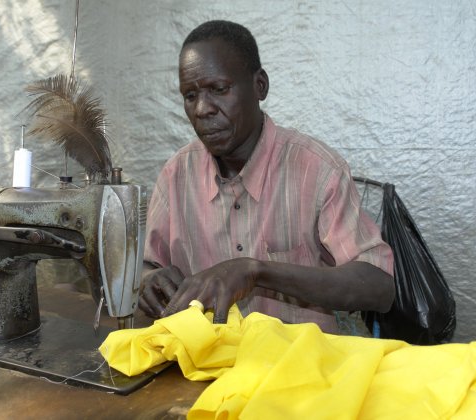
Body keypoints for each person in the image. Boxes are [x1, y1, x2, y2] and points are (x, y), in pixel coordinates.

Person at [139, 20, 394, 333]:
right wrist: (149, 280)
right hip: (209, 367)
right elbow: (148, 266)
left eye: (219, 90)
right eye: (190, 95)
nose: (203, 109)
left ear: (260, 86)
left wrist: (257, 272)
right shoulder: (176, 175)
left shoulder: (317, 170)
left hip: (303, 365)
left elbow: (379, 287)